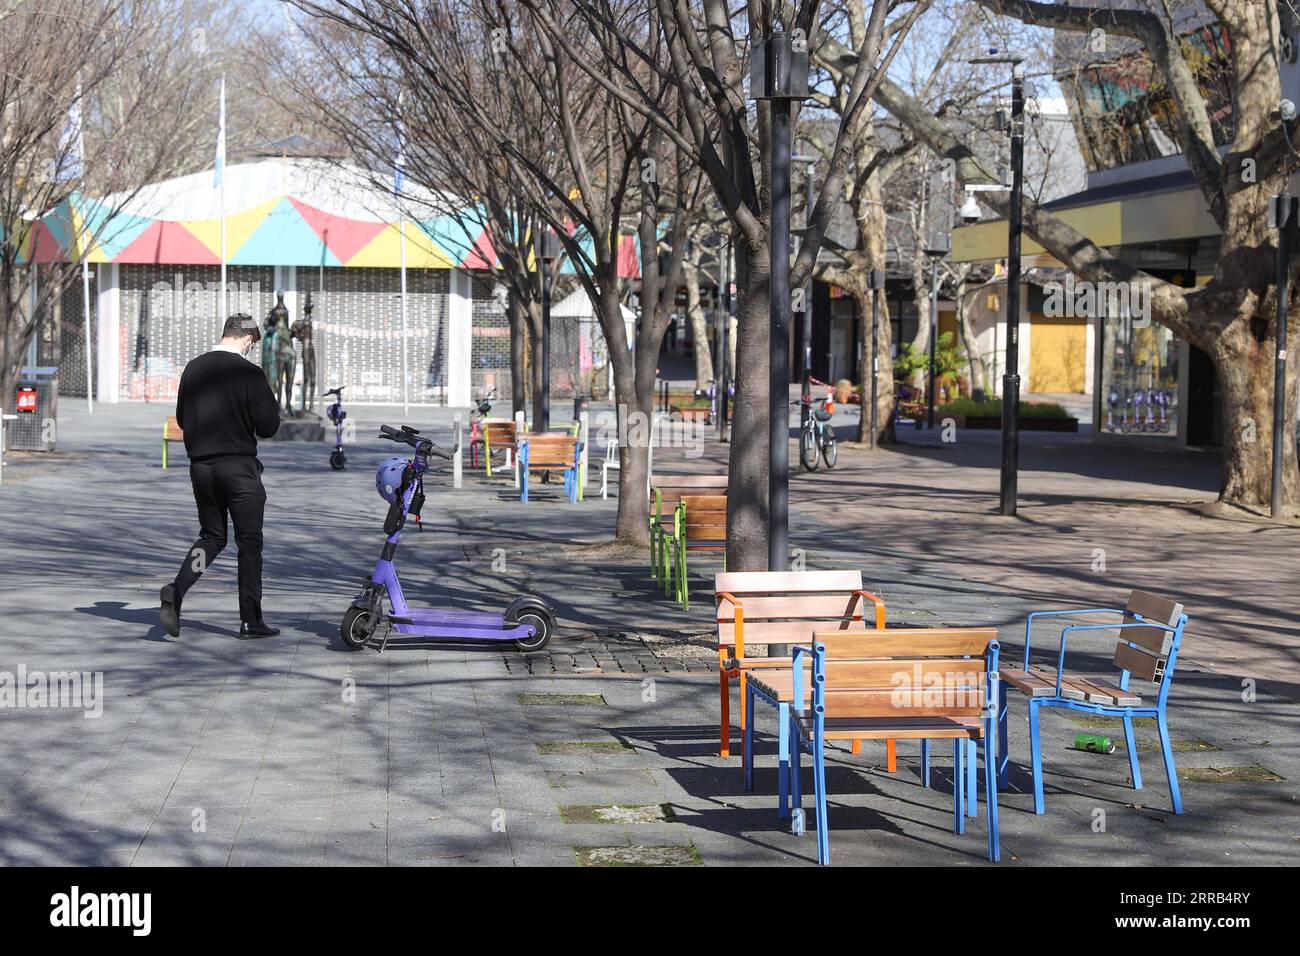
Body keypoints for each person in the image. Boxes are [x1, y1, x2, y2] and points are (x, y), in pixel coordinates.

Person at [160, 314, 281, 639]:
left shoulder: (193, 368)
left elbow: (184, 418)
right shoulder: (249, 372)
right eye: (251, 345)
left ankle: (177, 590)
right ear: (247, 339)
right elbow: (269, 427)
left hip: (201, 469)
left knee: (212, 538)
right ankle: (250, 620)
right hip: (239, 471)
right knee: (249, 544)